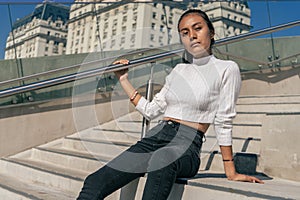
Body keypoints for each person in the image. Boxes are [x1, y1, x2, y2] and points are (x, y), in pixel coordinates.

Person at [77, 9, 263, 200]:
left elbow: (224, 120)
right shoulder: (179, 70)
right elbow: (151, 111)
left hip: (187, 145)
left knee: (163, 158)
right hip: (156, 137)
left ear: (212, 32)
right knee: (94, 182)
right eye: (184, 32)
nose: (192, 36)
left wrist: (230, 171)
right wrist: (123, 79)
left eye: (197, 28)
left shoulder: (227, 69)